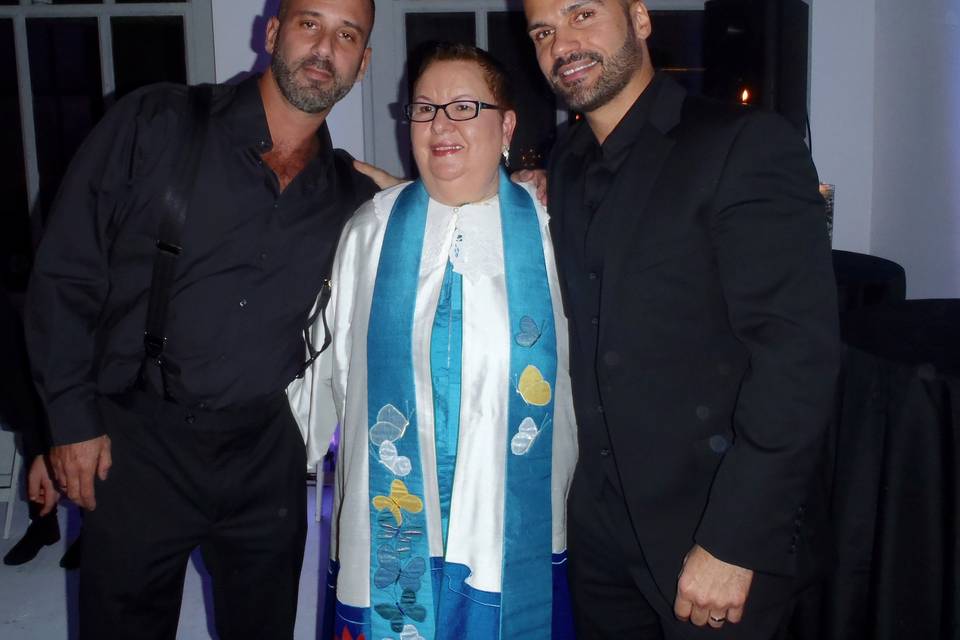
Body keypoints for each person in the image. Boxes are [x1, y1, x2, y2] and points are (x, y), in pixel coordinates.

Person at [24, 0, 384, 637]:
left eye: (347, 34)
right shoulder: (158, 121)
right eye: (310, 24)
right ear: (273, 32)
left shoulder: (348, 194)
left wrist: (520, 179)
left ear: (364, 60)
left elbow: (442, 216)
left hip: (264, 453)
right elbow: (67, 272)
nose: (326, 47)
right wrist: (67, 421)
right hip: (137, 443)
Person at [521, 1, 840, 638]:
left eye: (583, 13)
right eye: (543, 31)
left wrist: (734, 540)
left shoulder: (742, 144)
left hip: (713, 536)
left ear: (639, 18)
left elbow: (797, 360)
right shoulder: (565, 161)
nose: (563, 43)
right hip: (602, 537)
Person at [291, 42, 577, 640]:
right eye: (425, 108)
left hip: (505, 524)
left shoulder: (555, 231)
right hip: (389, 519)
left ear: (507, 125)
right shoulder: (369, 230)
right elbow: (324, 366)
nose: (441, 123)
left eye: (465, 106)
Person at [1, 291, 60, 566]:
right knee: (27, 411)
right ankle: (43, 521)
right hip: (14, 298)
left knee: (77, 409)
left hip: (61, 296)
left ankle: (88, 527)